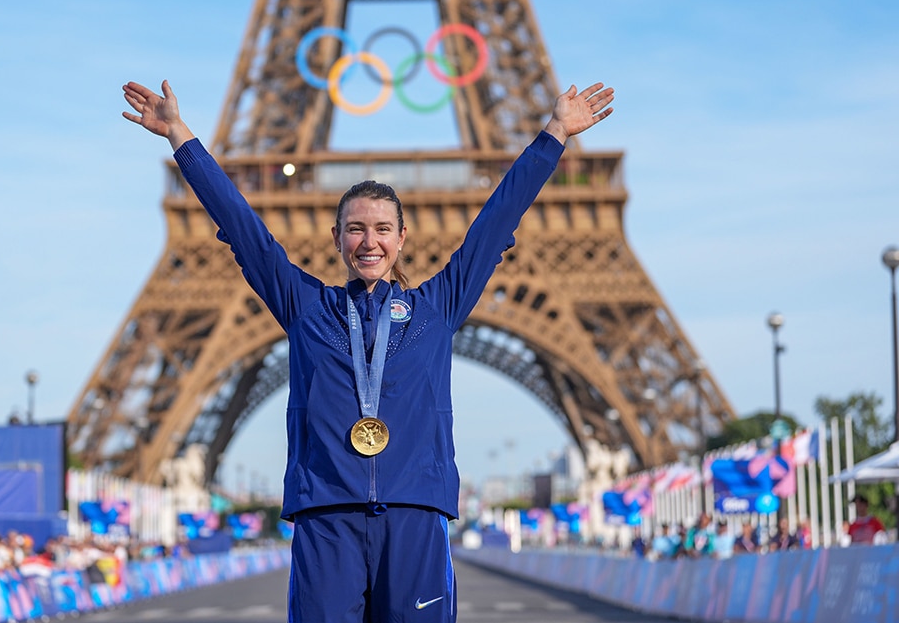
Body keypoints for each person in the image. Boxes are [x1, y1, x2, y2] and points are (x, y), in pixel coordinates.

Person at [122, 77, 614, 622]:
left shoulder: (437, 308)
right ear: (337, 238)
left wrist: (553, 135)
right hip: (327, 514)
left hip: (414, 511)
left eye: (382, 229)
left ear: (402, 237)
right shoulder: (306, 307)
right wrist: (180, 137)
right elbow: (244, 231)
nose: (369, 241)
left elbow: (495, 225)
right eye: (355, 229)